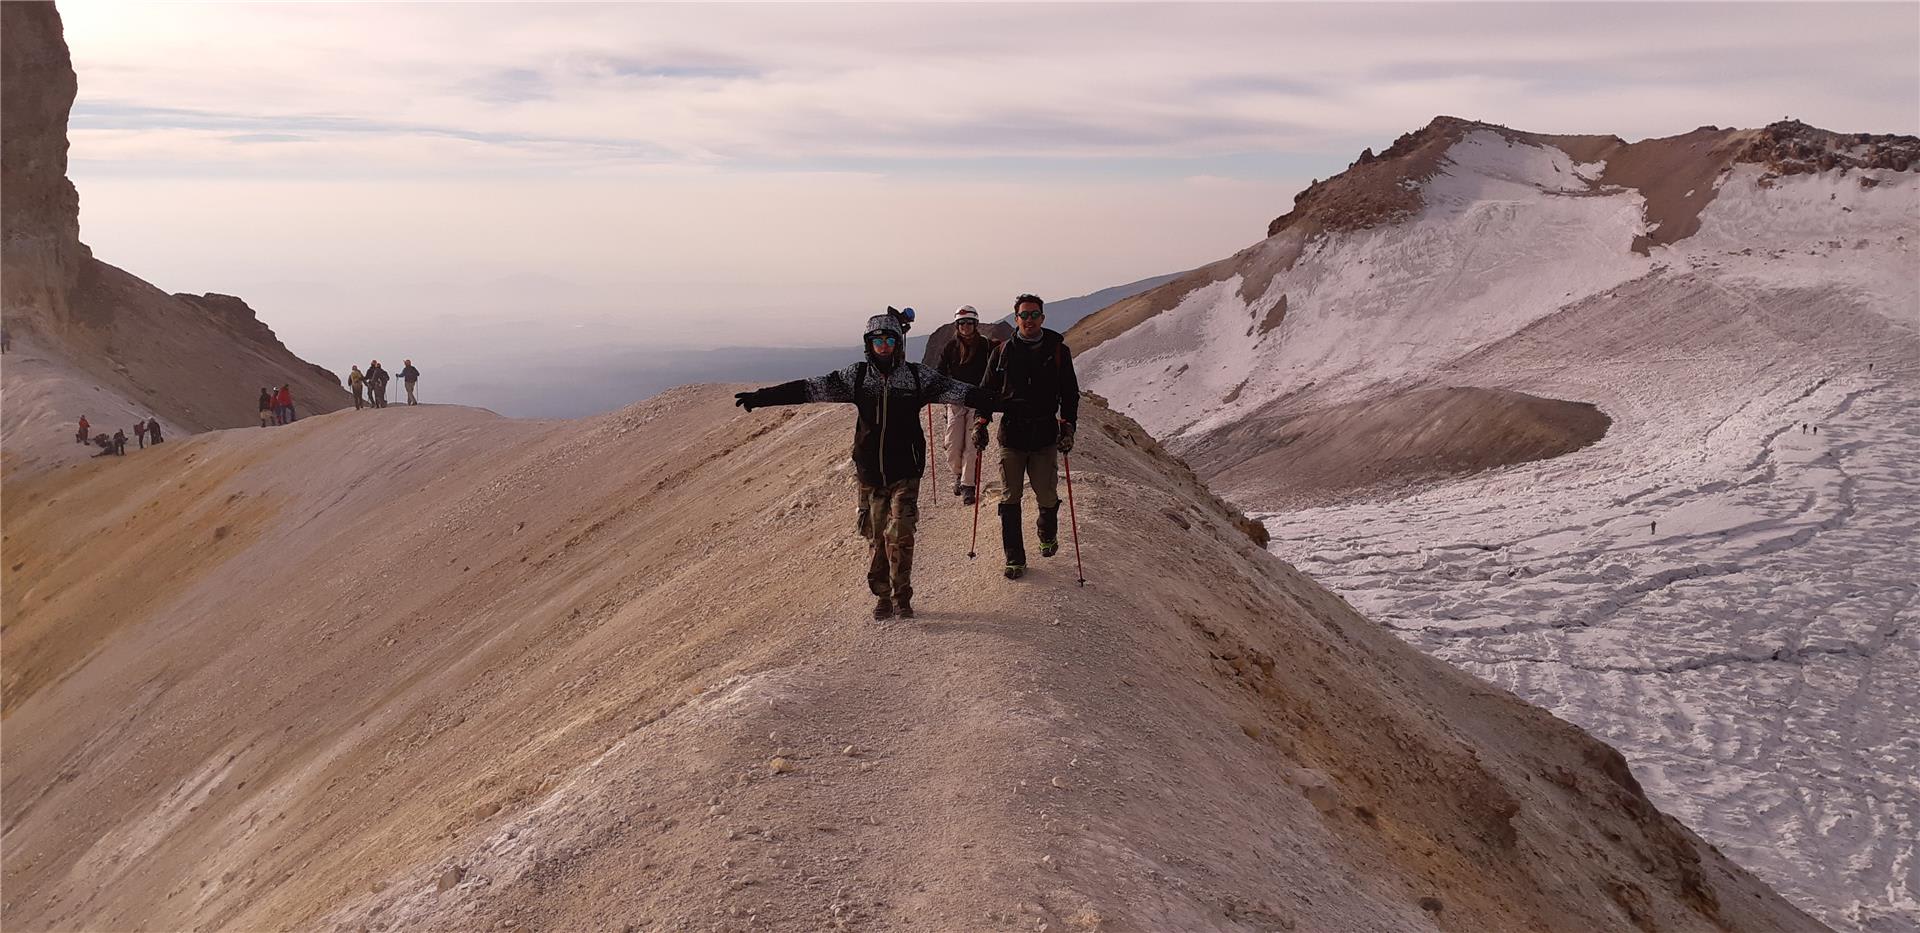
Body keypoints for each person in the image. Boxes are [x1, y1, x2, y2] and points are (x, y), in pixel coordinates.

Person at [733, 312, 1009, 621]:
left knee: (902, 534)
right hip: (870, 473)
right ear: (869, 343)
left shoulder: (917, 377)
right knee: (876, 538)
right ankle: (883, 596)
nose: (884, 345)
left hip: (906, 469)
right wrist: (761, 398)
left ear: (898, 343)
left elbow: (962, 391)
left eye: (889, 339)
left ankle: (903, 597)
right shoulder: (857, 377)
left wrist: (1011, 402)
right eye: (877, 340)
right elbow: (809, 389)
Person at [972, 294, 1079, 580]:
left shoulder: (1058, 351)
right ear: (1015, 318)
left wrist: (1068, 426)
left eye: (1034, 315)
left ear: (1042, 318)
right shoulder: (1002, 352)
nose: (1029, 320)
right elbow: (986, 392)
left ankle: (1047, 534)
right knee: (1010, 497)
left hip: (1044, 434)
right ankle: (1015, 559)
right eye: (1024, 315)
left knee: (1046, 493)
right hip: (1012, 435)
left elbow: (1070, 393)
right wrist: (981, 422)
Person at [936, 305, 994, 505]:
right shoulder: (950, 347)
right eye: (962, 323)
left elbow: (996, 370)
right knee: (952, 444)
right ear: (957, 325)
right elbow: (940, 372)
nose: (965, 326)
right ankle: (958, 474)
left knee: (972, 444)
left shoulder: (987, 346)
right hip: (955, 401)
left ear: (975, 324)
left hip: (977, 401)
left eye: (969, 323)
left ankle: (968, 485)